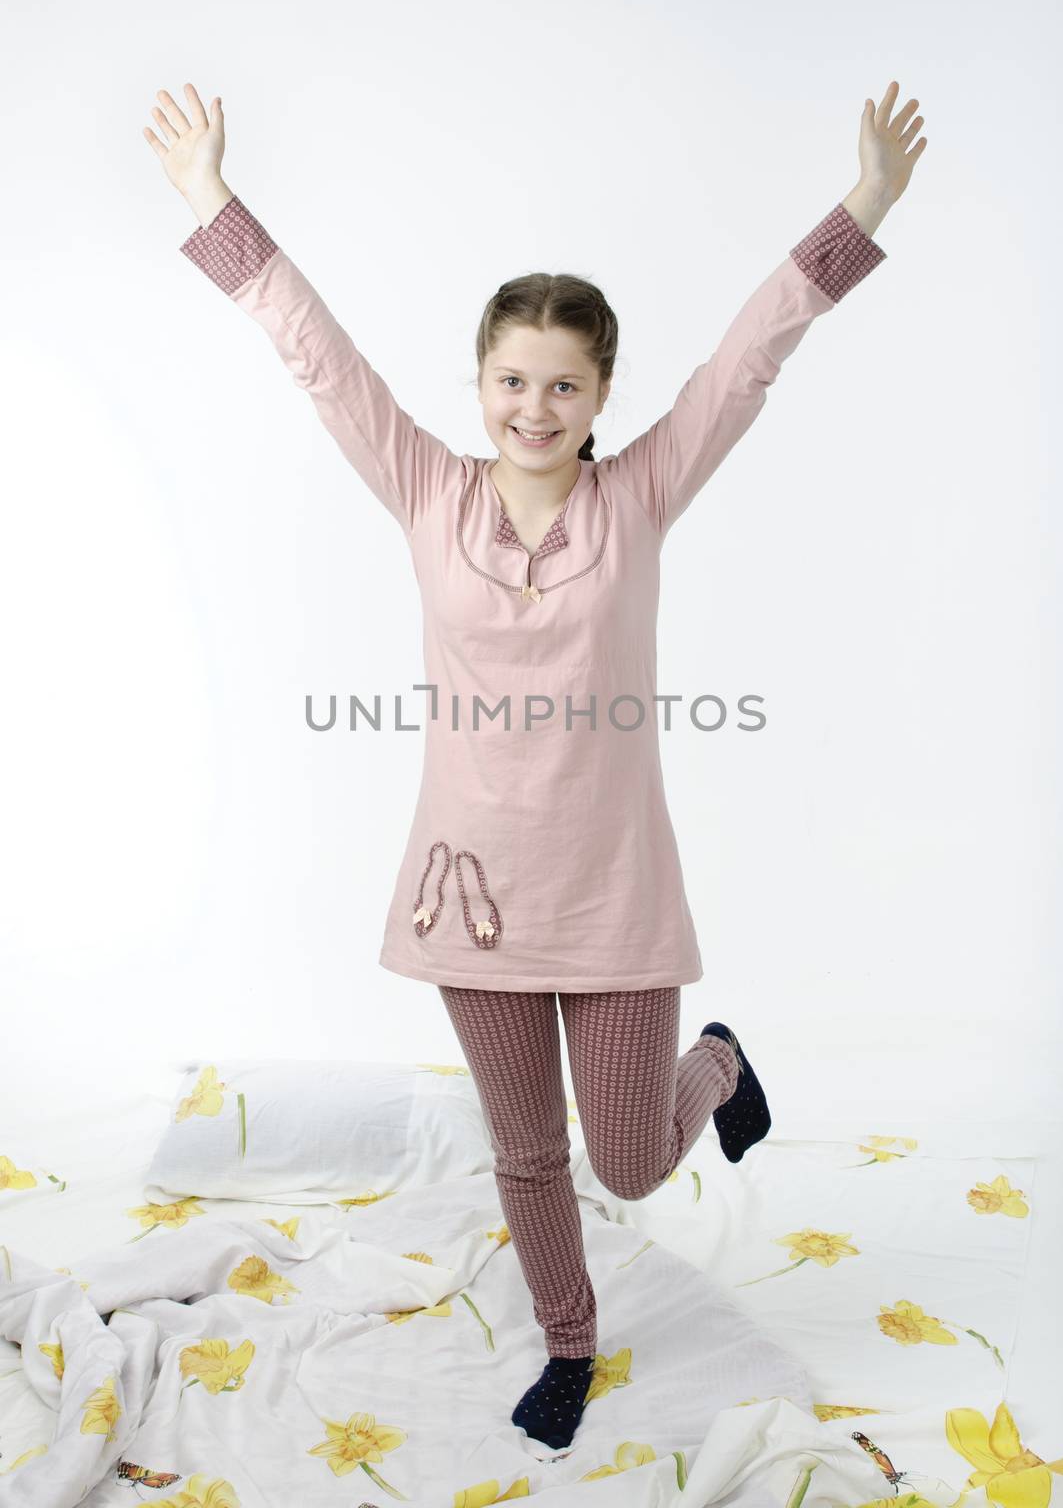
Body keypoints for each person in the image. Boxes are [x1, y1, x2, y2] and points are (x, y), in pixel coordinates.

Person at [144, 79, 926, 1450]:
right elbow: (319, 358)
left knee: (627, 1159)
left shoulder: (643, 493)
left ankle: (721, 1068)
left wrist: (862, 206)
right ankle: (570, 1343)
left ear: (603, 391)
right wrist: (214, 201)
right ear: (482, 380)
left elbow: (750, 357)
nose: (535, 405)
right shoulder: (430, 490)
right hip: (473, 899)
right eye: (513, 378)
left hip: (615, 895)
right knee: (527, 1155)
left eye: (565, 383)